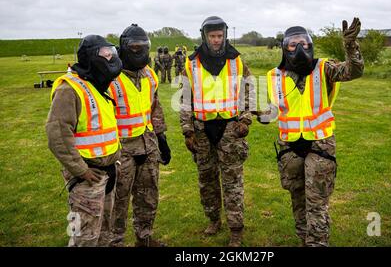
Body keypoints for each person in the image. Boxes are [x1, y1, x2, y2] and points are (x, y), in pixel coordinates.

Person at [256, 18, 364, 247]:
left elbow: (353, 71)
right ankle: (303, 239)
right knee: (297, 198)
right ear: (285, 48)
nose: (299, 48)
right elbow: (277, 107)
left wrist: (350, 45)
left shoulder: (324, 68)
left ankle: (317, 243)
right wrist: (262, 114)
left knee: (317, 201)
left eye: (303, 43)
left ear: (311, 44)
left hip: (320, 145)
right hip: (290, 148)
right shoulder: (274, 76)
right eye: (293, 44)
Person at [179, 16, 255, 247]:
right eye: (212, 36)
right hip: (202, 130)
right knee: (207, 180)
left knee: (232, 182)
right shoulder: (191, 64)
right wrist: (187, 130)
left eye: (220, 36)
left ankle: (235, 230)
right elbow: (184, 99)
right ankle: (213, 219)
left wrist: (246, 119)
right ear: (205, 36)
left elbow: (248, 90)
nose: (216, 40)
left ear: (225, 35)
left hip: (231, 130)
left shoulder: (237, 61)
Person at [46, 35, 122, 246]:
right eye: (105, 54)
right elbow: (57, 135)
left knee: (105, 232)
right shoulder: (69, 89)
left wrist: (115, 159)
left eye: (111, 53)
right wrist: (81, 170)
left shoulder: (98, 85)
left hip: (107, 172)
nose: (110, 58)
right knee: (84, 237)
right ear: (90, 58)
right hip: (87, 178)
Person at [108, 24, 171, 247]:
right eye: (135, 47)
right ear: (123, 48)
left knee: (148, 195)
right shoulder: (109, 78)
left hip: (148, 144)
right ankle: (114, 242)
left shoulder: (150, 75)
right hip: (120, 149)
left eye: (144, 47)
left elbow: (155, 107)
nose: (140, 51)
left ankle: (144, 238)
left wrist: (161, 137)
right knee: (118, 199)